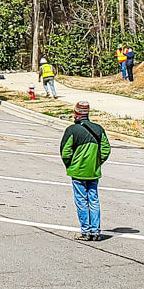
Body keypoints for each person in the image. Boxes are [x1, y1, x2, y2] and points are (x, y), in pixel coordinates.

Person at [60, 101, 111, 241]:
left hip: (78, 171)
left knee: (81, 200)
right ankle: (95, 231)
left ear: (76, 113)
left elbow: (65, 152)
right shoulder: (98, 129)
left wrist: (70, 165)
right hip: (93, 171)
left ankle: (85, 231)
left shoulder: (72, 130)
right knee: (93, 199)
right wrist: (97, 162)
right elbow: (106, 149)